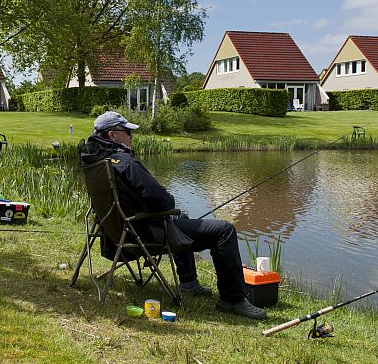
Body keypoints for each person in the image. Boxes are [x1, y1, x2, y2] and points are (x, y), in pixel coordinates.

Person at [80, 111, 266, 320]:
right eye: (128, 132)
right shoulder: (125, 162)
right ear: (113, 135)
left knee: (182, 219)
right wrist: (166, 199)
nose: (132, 136)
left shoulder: (95, 160)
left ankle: (189, 283)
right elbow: (162, 201)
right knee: (224, 230)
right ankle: (233, 300)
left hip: (117, 233)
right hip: (145, 233)